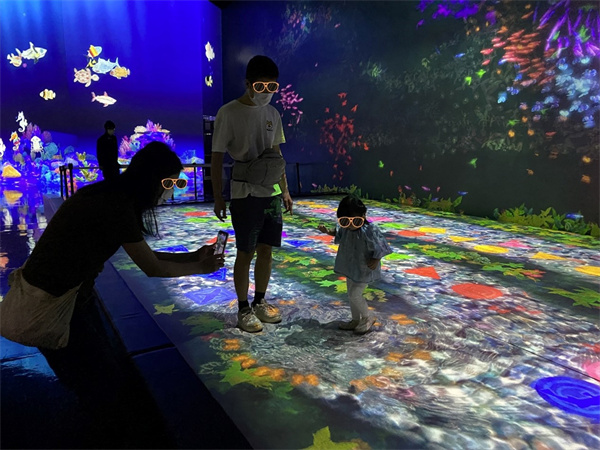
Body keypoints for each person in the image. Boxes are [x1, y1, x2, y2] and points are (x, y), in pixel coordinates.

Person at [211, 55, 293, 333]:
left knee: (266, 250)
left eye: (272, 87)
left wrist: (285, 190)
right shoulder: (228, 112)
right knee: (245, 251)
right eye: (260, 86)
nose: (266, 92)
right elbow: (217, 157)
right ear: (248, 84)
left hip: (270, 193)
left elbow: (277, 154)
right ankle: (243, 307)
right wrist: (218, 196)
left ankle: (260, 301)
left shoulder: (273, 114)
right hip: (244, 192)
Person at [318, 195, 392, 334]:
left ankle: (367, 317)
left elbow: (381, 246)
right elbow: (338, 233)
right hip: (351, 266)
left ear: (363, 215)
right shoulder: (346, 229)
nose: (350, 225)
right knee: (351, 294)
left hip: (364, 268)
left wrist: (376, 260)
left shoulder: (369, 230)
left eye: (356, 221)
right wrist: (327, 231)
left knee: (355, 294)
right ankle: (355, 319)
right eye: (345, 221)